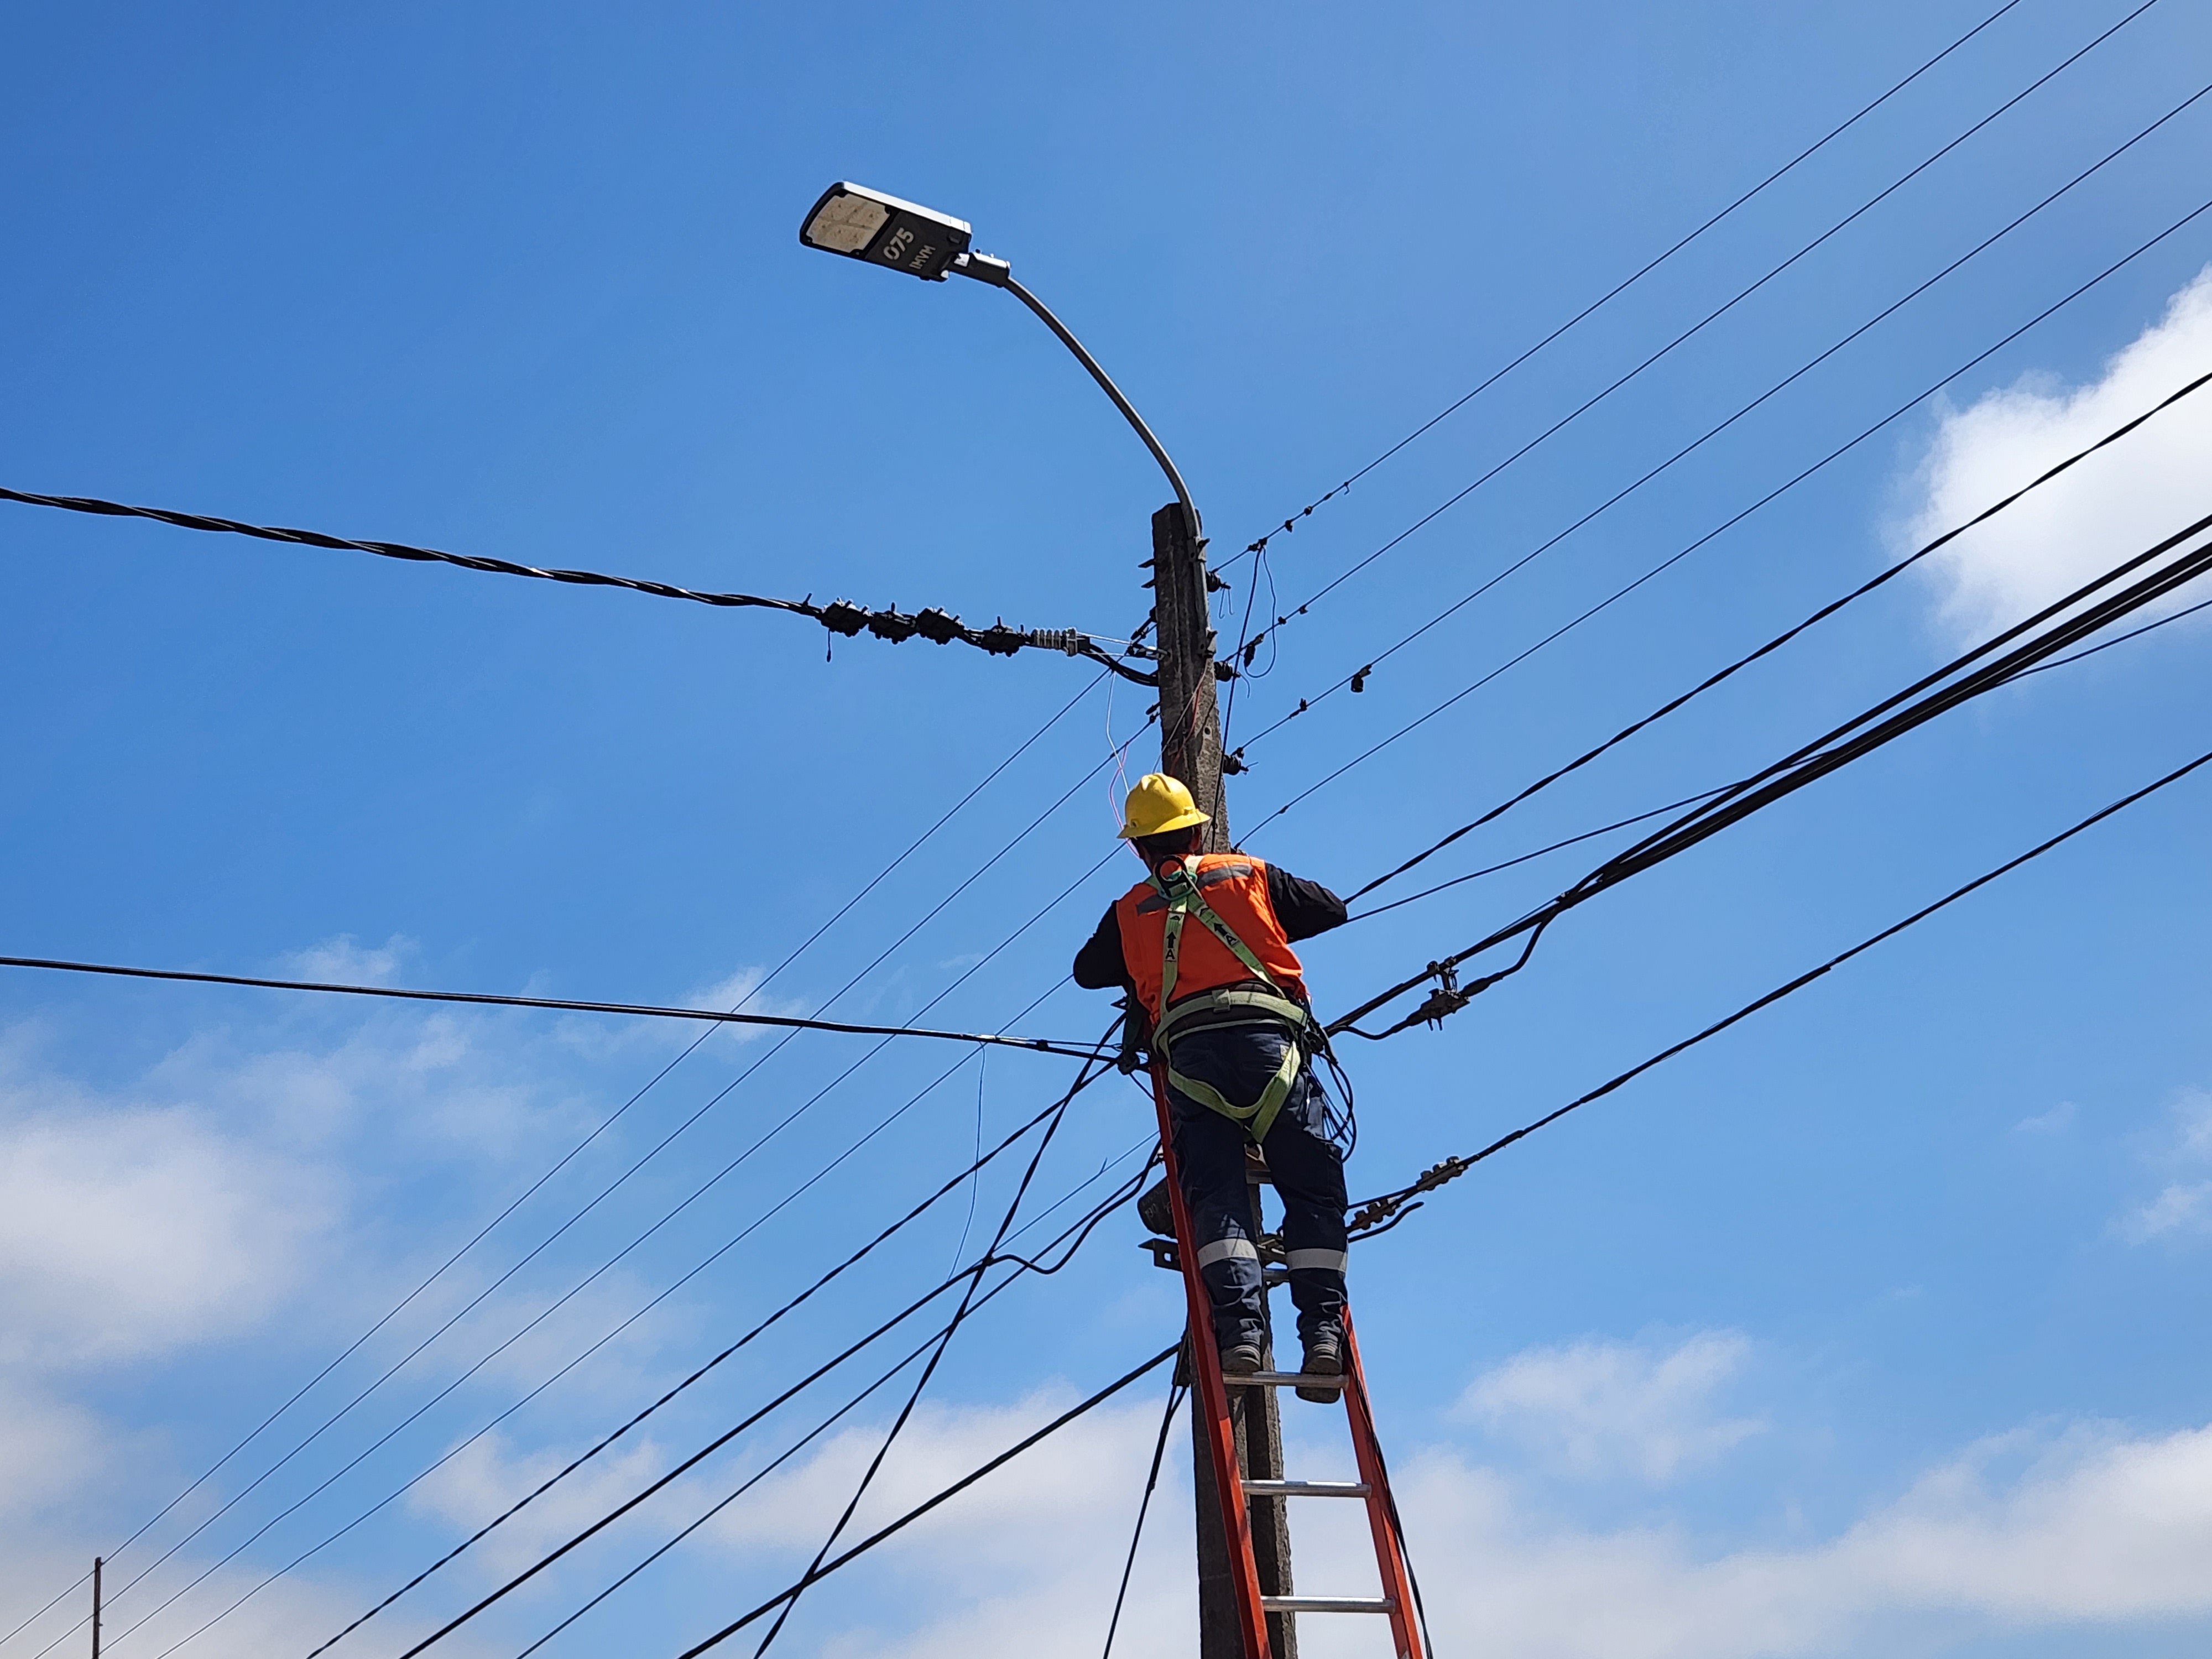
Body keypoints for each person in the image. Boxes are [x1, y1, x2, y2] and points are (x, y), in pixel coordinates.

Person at [1072, 772, 1351, 1399]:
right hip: (1270, 1051)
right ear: (1199, 829)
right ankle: (1324, 1340)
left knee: (1216, 1203)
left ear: (1139, 849)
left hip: (1193, 1063)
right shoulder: (1247, 875)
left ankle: (1241, 1339)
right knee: (1313, 1192)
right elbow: (1330, 907)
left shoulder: (1129, 910)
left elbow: (1087, 973)